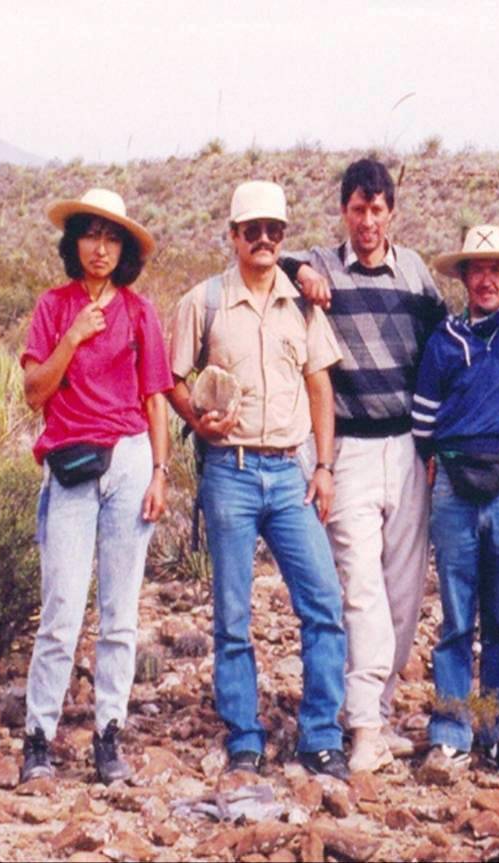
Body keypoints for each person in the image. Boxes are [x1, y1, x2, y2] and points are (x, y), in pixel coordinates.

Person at [168, 181, 349, 780]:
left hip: (291, 471)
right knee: (232, 613)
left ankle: (320, 735)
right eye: (254, 230)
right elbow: (170, 377)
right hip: (232, 473)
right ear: (234, 234)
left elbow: (320, 384)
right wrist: (199, 420)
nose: (265, 240)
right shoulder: (206, 301)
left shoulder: (301, 303)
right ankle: (244, 734)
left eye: (275, 230)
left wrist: (322, 467)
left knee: (323, 603)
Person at [278, 159, 447, 771]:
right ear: (345, 212)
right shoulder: (320, 266)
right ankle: (367, 727)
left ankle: (376, 701)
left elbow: (446, 345)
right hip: (346, 448)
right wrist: (298, 268)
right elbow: (271, 260)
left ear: (392, 213)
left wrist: (439, 445)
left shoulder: (416, 274)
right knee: (362, 588)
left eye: (378, 210)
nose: (368, 221)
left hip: (406, 447)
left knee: (404, 590)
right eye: (358, 210)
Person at [20, 188, 171, 784]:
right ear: (74, 242)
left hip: (130, 460)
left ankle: (109, 734)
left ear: (124, 249)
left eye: (112, 238)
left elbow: (154, 398)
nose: (100, 248)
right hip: (72, 464)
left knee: (120, 612)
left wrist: (161, 471)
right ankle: (39, 737)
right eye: (91, 235)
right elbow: (36, 390)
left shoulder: (139, 312)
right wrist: (74, 337)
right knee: (60, 608)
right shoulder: (54, 307)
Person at [410, 225, 499, 775]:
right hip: (453, 484)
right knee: (457, 615)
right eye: (476, 269)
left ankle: (495, 731)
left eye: (496, 268)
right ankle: (451, 731)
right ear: (463, 277)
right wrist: (435, 463)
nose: (486, 279)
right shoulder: (444, 339)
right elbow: (423, 417)